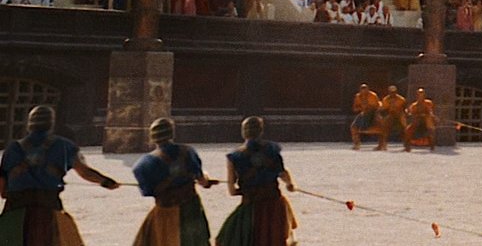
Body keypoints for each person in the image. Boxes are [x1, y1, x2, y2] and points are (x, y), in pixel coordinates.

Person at [0, 105, 121, 246]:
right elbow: (85, 172)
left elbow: (2, 180)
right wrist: (106, 182)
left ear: (30, 124)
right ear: (51, 124)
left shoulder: (13, 148)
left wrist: (5, 192)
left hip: (15, 209)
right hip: (48, 207)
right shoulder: (64, 146)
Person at [132, 117, 219, 246]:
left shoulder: (143, 165)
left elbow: (147, 191)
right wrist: (206, 180)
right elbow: (201, 179)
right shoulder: (188, 152)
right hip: (191, 208)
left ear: (152, 137)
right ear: (172, 133)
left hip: (165, 210)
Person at [216, 116, 297, 246]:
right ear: (261, 131)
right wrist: (290, 184)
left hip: (251, 205)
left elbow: (232, 191)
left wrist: (245, 189)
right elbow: (283, 173)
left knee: (226, 238)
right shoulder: (272, 150)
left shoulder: (234, 157)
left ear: (243, 132)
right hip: (274, 205)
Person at [348, 84, 383, 151]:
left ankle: (381, 145)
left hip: (373, 113)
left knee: (380, 127)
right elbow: (355, 108)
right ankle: (356, 144)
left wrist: (370, 108)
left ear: (368, 90)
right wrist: (361, 108)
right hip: (363, 113)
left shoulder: (373, 95)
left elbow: (377, 106)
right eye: (362, 89)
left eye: (365, 90)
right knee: (353, 127)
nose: (364, 92)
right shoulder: (358, 96)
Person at [378, 86, 406, 150]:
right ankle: (383, 144)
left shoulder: (401, 99)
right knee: (384, 126)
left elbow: (404, 108)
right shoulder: (386, 99)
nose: (392, 94)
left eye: (394, 92)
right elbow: (384, 109)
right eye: (391, 92)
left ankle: (406, 144)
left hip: (399, 114)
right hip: (390, 114)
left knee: (404, 127)